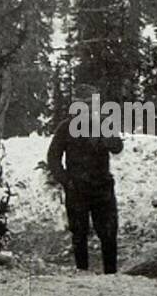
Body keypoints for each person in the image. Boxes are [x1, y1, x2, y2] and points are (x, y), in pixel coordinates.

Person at [46, 112, 123, 274]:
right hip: (77, 190)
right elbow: (53, 157)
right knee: (79, 233)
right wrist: (66, 181)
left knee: (109, 233)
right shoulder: (66, 127)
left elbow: (117, 147)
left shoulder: (103, 124)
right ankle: (82, 273)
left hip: (102, 189)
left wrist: (106, 135)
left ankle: (111, 275)